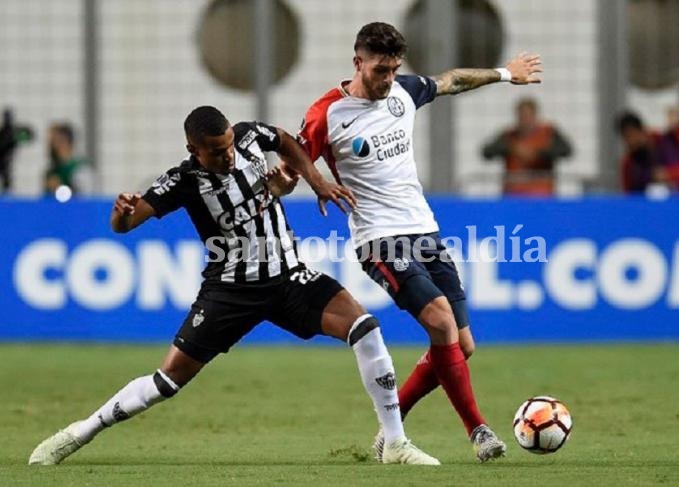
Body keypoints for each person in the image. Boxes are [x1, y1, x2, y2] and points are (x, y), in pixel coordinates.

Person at [28, 106, 439, 466]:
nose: (228, 155)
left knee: (365, 328)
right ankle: (80, 432)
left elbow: (282, 139)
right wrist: (120, 215)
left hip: (288, 276)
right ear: (195, 150)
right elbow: (126, 224)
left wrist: (311, 179)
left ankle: (395, 442)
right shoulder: (181, 181)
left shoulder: (247, 137)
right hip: (230, 290)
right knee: (166, 381)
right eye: (217, 151)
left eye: (228, 146)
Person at [291, 22, 542, 463]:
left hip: (425, 231)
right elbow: (293, 156)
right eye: (379, 70)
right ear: (358, 63)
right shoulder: (327, 113)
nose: (387, 79)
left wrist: (505, 73)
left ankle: (391, 428)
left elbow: (452, 80)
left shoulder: (403, 93)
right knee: (442, 322)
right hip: (378, 240)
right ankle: (480, 432)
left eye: (393, 70)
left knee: (461, 346)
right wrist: (317, 182)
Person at [481, 97, 572, 196]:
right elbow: (487, 152)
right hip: (513, 193)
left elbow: (566, 150)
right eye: (522, 116)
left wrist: (537, 153)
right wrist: (512, 149)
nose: (525, 120)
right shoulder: (508, 136)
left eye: (528, 116)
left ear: (535, 115)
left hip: (542, 194)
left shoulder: (549, 132)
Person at [615, 111, 679, 193]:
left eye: (632, 135)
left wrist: (669, 174)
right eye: (626, 138)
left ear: (642, 130)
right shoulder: (629, 163)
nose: (632, 141)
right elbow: (628, 193)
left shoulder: (670, 140)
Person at [43, 122, 91, 196]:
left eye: (53, 142)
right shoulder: (52, 171)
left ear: (64, 142)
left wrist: (60, 189)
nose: (50, 147)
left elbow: (87, 199)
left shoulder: (80, 169)